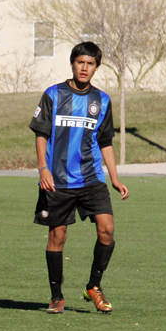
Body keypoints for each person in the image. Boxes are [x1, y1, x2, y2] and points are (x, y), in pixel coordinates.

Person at [29, 41, 129, 314]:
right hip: (57, 179)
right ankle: (56, 296)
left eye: (90, 64)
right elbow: (41, 134)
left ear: (96, 67)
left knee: (107, 229)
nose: (84, 68)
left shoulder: (103, 100)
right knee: (58, 235)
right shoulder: (53, 94)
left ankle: (93, 286)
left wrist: (115, 178)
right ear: (72, 64)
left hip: (91, 178)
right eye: (80, 62)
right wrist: (43, 168)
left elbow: (105, 141)